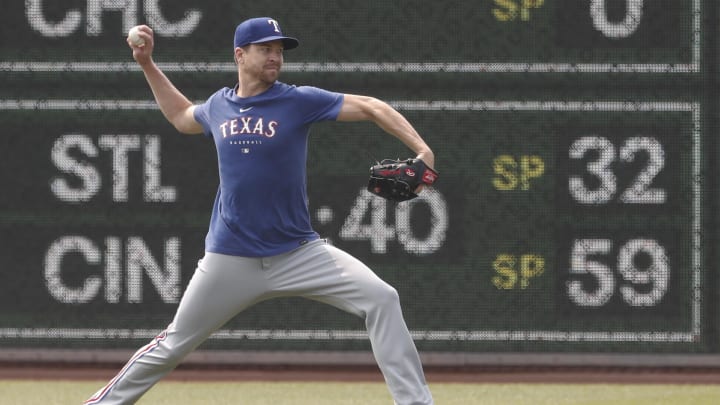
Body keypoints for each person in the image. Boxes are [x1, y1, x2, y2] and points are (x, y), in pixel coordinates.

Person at [84, 17, 435, 405]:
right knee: (173, 344)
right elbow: (182, 117)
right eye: (266, 48)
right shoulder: (219, 105)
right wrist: (147, 64)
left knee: (382, 298)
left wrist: (422, 150)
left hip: (299, 252)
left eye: (279, 50)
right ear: (240, 54)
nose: (275, 57)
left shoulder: (296, 100)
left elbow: (370, 106)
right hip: (230, 256)